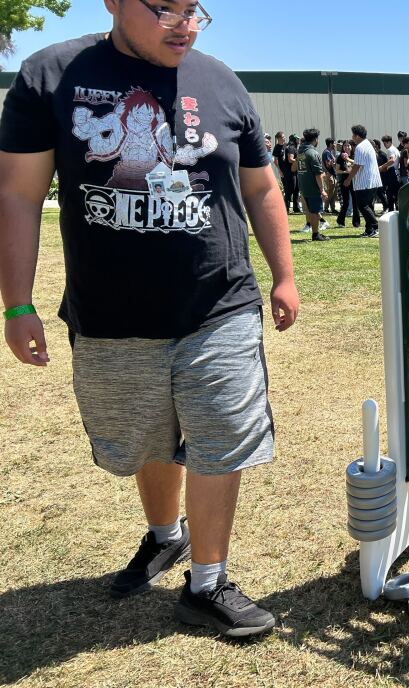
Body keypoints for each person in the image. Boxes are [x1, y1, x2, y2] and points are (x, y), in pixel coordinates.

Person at [0, 0, 300, 638]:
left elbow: (261, 187)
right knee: (145, 439)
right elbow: (19, 194)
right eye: (163, 7)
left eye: (194, 10)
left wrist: (284, 274)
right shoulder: (50, 75)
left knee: (221, 440)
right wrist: (18, 302)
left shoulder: (221, 81)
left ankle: (208, 582)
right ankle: (167, 536)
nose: (183, 24)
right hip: (112, 313)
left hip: (218, 303)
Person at [343, 124, 382, 238]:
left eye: (353, 135)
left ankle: (376, 226)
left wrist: (349, 179)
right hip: (372, 181)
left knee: (362, 205)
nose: (352, 137)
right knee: (368, 205)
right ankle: (369, 229)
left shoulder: (360, 147)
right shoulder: (368, 144)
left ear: (357, 135)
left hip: (365, 182)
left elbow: (357, 166)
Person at [296, 129, 329, 241]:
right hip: (312, 187)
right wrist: (322, 190)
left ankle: (316, 232)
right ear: (315, 139)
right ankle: (315, 234)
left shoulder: (300, 152)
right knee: (315, 212)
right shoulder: (313, 153)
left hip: (304, 186)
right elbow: (318, 174)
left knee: (311, 211)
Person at [336, 140, 361, 228]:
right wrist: (345, 171)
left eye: (348, 145)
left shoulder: (355, 155)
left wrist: (347, 159)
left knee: (355, 202)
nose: (346, 147)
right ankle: (340, 221)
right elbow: (337, 170)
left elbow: (357, 164)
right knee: (346, 202)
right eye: (345, 146)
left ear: (351, 147)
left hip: (354, 181)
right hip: (344, 181)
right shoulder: (340, 157)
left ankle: (356, 222)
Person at [281, 133, 301, 214]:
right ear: (294, 139)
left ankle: (296, 208)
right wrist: (300, 160)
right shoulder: (291, 147)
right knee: (290, 190)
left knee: (296, 190)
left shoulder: (293, 147)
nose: (299, 140)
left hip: (294, 172)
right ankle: (286, 208)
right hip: (290, 172)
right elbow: (290, 159)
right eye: (297, 139)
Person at [381, 134, 401, 212]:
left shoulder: (390, 150)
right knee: (395, 194)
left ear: (389, 142)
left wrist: (383, 166)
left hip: (391, 172)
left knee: (390, 194)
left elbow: (392, 160)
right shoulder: (395, 149)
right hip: (396, 172)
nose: (384, 145)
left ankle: (391, 210)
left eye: (385, 143)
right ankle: (397, 210)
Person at [321, 137, 338, 214]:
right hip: (329, 175)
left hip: (332, 174)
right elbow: (328, 165)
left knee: (333, 193)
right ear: (331, 144)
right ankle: (326, 208)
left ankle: (333, 208)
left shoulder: (330, 152)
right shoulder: (326, 153)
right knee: (330, 192)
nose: (335, 144)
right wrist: (334, 162)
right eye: (334, 143)